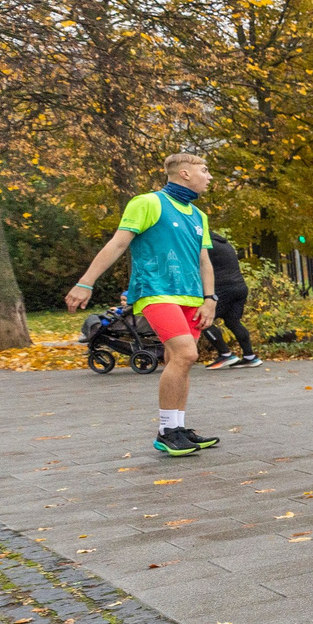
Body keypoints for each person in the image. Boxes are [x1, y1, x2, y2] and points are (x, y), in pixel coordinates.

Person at [66, 152, 223, 456]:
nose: (209, 176)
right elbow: (118, 243)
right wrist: (85, 283)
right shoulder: (148, 203)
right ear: (185, 174)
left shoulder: (198, 215)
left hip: (191, 297)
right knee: (186, 354)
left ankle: (176, 429)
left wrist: (210, 299)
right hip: (156, 291)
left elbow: (204, 261)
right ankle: (166, 432)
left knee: (180, 361)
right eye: (204, 170)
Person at [201, 233, 262, 370]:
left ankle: (225, 354)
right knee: (233, 321)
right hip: (239, 287)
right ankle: (250, 357)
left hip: (223, 288)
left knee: (203, 321)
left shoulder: (206, 243)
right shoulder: (221, 242)